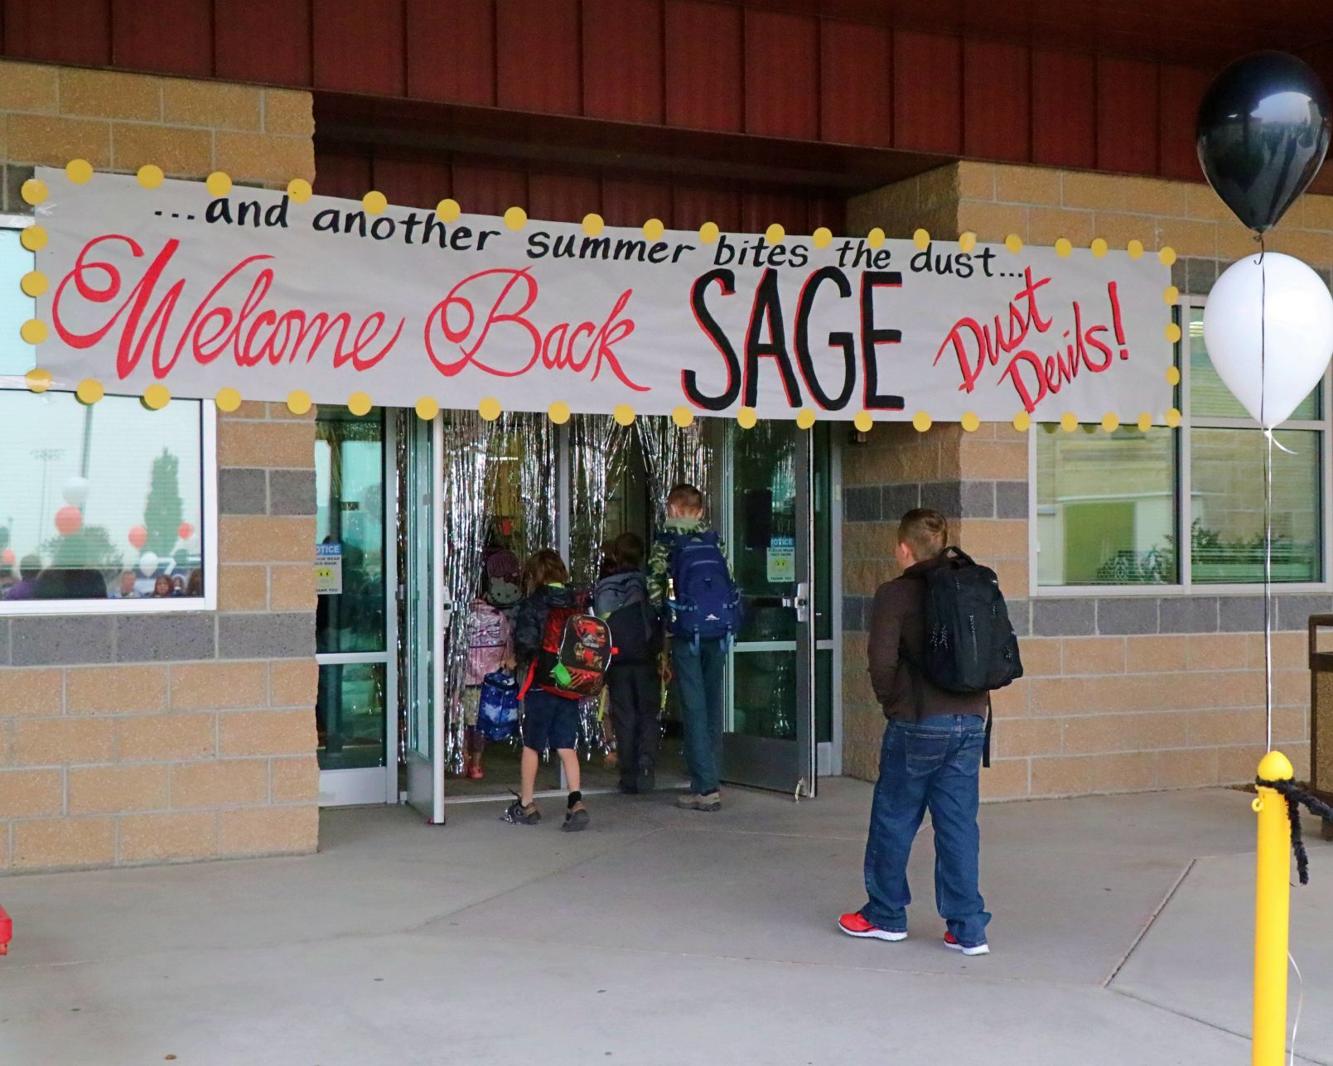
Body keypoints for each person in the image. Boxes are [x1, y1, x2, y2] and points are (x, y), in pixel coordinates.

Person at [838, 508, 992, 956]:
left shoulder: (896, 593)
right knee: (959, 824)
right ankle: (968, 929)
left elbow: (881, 662)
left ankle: (885, 914)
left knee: (894, 817)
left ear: (904, 549)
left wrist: (894, 705)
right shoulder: (971, 583)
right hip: (971, 719)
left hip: (919, 721)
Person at [649, 484, 733, 813]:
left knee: (694, 706)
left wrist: (665, 620)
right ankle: (713, 774)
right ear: (699, 511)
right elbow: (730, 579)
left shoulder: (666, 542)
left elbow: (655, 586)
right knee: (712, 704)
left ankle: (705, 787)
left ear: (672, 509)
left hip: (687, 632)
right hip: (718, 631)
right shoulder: (714, 540)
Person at [507, 548, 589, 832]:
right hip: (569, 684)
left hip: (542, 683)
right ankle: (576, 801)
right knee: (566, 745)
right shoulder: (576, 602)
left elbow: (527, 644)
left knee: (532, 745)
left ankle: (526, 803)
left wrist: (513, 660)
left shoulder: (533, 604)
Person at [595, 532, 660, 795]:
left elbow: (598, 624)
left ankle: (628, 774)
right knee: (647, 713)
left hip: (617, 659)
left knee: (624, 715)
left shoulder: (605, 586)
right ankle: (647, 763)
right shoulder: (647, 584)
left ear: (616, 556)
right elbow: (660, 617)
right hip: (645, 657)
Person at [461, 568, 514, 780]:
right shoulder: (498, 617)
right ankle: (476, 763)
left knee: (465, 720)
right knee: (482, 722)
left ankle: (462, 756)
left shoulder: (462, 617)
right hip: (491, 678)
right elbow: (507, 646)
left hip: (466, 678)